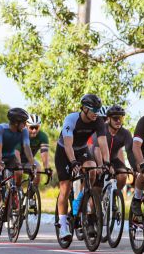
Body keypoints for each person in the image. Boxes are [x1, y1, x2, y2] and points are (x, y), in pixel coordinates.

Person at [55, 94, 111, 241]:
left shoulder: (98, 121)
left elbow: (103, 143)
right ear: (85, 109)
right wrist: (73, 162)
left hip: (82, 149)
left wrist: (107, 162)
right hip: (64, 151)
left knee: (92, 170)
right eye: (94, 110)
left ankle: (80, 200)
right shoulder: (71, 119)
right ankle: (62, 226)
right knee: (65, 187)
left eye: (98, 110)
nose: (96, 113)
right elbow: (67, 144)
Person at [0, 108, 36, 233]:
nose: (26, 125)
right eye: (24, 122)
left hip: (11, 157)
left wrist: (32, 164)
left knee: (19, 171)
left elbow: (26, 147)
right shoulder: (1, 128)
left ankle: (15, 193)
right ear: (16, 122)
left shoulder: (24, 131)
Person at [92, 105, 132, 191]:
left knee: (123, 175)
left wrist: (135, 167)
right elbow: (97, 149)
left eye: (120, 119)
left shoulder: (125, 133)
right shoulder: (101, 129)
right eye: (115, 118)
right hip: (98, 159)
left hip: (113, 160)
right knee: (97, 192)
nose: (118, 121)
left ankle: (113, 197)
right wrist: (100, 165)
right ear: (108, 119)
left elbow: (130, 151)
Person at [15, 113, 51, 186]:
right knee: (19, 173)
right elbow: (16, 152)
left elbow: (44, 153)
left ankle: (31, 195)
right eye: (31, 128)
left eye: (36, 127)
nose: (34, 130)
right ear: (26, 126)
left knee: (38, 169)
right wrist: (19, 166)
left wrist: (46, 168)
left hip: (28, 161)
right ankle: (17, 189)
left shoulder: (43, 136)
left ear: (39, 127)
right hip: (15, 159)